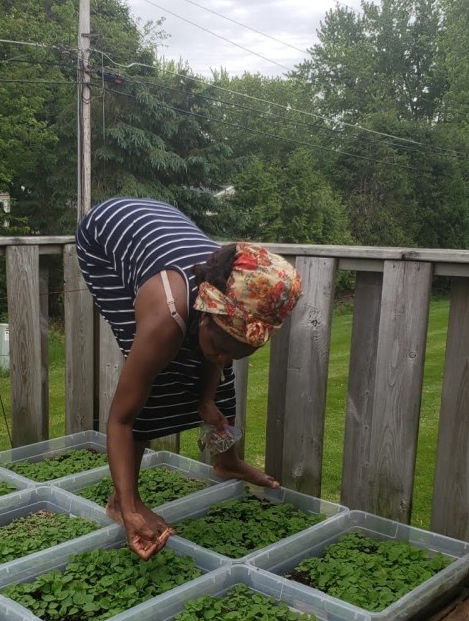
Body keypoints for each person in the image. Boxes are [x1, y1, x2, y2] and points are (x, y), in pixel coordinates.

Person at [76, 197, 302, 559]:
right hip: (104, 238)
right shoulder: (166, 313)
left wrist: (207, 399)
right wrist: (132, 510)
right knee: (154, 375)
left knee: (208, 360)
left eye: (237, 352)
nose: (225, 357)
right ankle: (122, 502)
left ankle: (226, 463)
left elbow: (216, 352)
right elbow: (121, 418)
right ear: (207, 312)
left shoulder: (234, 292)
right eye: (221, 345)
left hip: (162, 232)